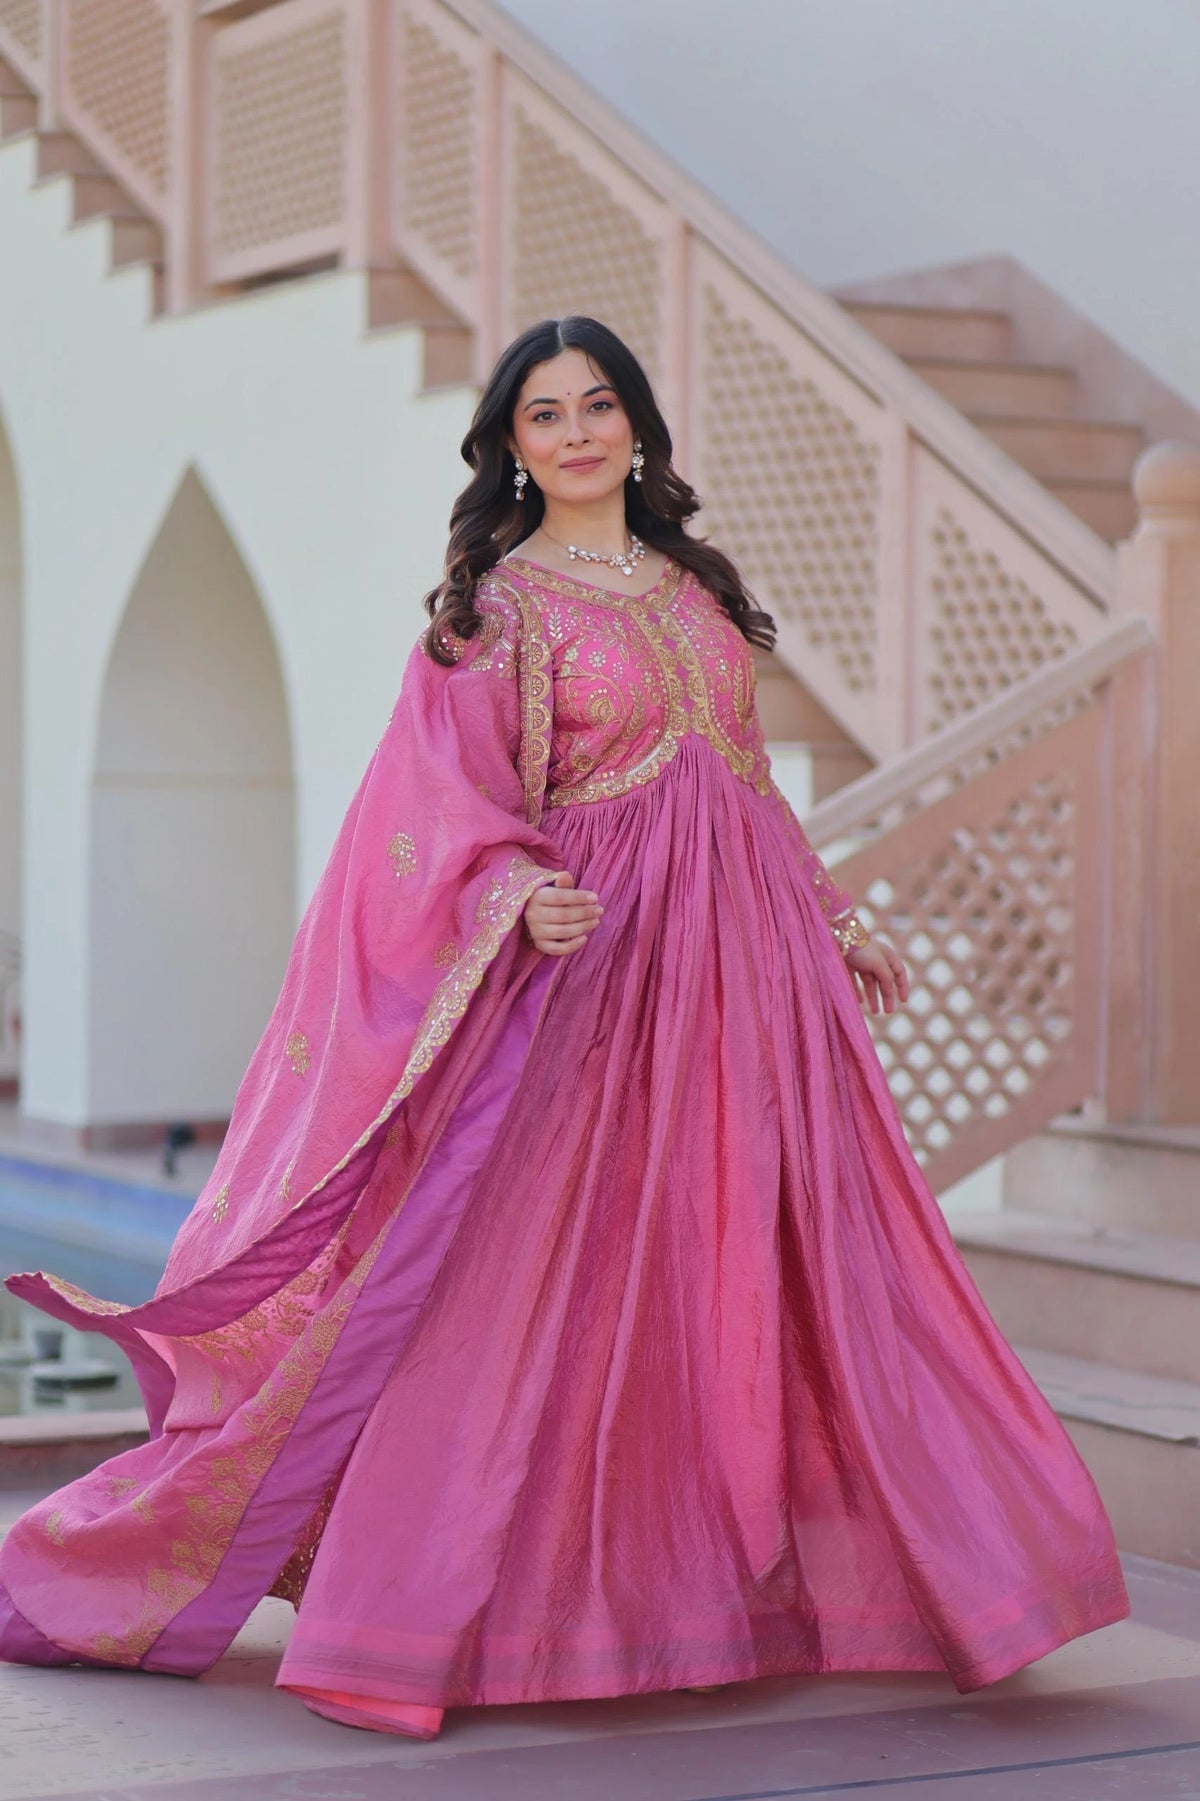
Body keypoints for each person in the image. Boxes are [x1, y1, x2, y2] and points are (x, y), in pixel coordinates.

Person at [0, 317, 1128, 1740]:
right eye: (546, 414)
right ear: (512, 446)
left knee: (753, 1266)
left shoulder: (701, 587)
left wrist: (842, 924)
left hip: (748, 985)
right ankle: (465, 1608)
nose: (580, 431)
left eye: (600, 405)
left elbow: (747, 787)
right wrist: (516, 890)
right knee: (541, 1280)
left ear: (638, 426)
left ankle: (730, 1595)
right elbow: (436, 803)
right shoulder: (498, 611)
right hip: (593, 985)